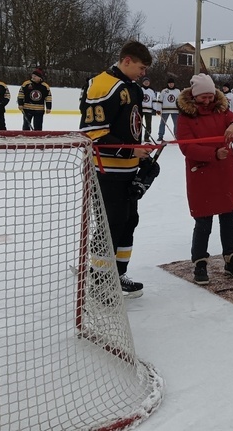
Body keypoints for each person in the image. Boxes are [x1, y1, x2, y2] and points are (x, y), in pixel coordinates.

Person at [79, 41, 153, 297]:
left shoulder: (131, 87)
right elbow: (93, 135)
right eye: (141, 67)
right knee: (110, 225)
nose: (143, 73)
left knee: (129, 221)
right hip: (107, 171)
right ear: (127, 60)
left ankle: (117, 274)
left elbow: (128, 127)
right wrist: (131, 150)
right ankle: (100, 281)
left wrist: (139, 153)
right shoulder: (102, 84)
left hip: (127, 169)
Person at [176, 73, 233, 285]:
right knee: (203, 221)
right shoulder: (186, 117)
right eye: (202, 98)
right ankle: (199, 262)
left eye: (210, 96)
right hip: (203, 173)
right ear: (194, 96)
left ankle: (231, 259)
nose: (207, 101)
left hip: (225, 173)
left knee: (229, 218)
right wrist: (213, 154)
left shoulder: (221, 109)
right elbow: (186, 146)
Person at [140, 76, 159, 142]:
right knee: (139, 124)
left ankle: (147, 137)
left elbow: (154, 100)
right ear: (143, 82)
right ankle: (138, 137)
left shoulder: (151, 91)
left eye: (147, 82)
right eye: (145, 82)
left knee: (148, 125)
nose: (146, 83)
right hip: (140, 110)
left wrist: (155, 108)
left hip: (148, 110)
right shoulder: (140, 89)